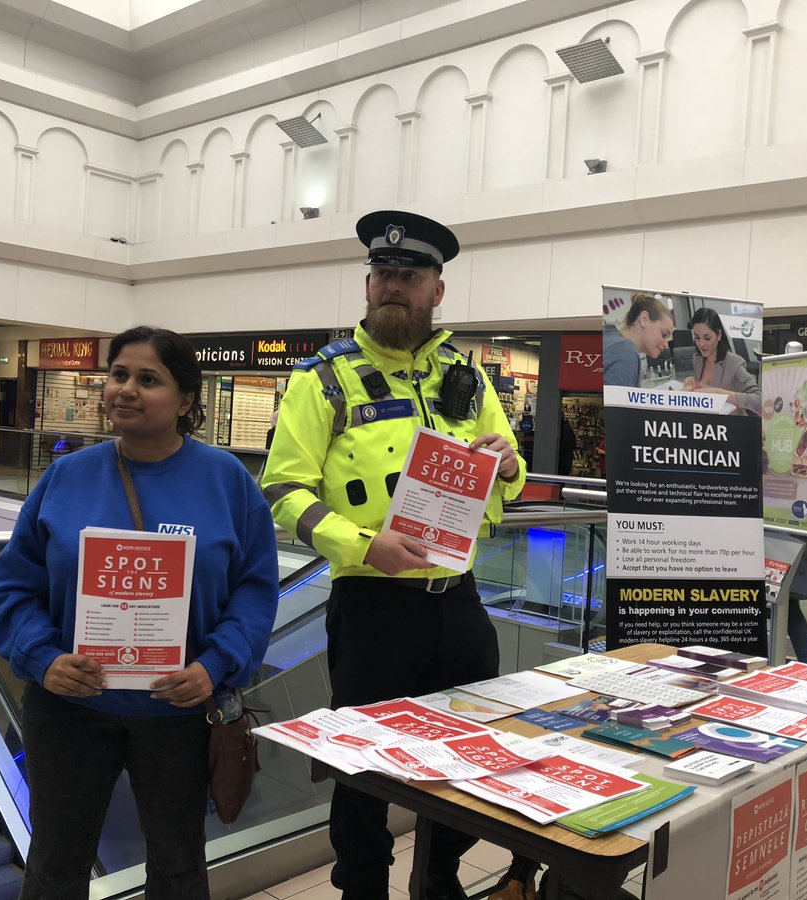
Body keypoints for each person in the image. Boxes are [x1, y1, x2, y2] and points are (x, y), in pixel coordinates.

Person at [261, 210, 526, 900]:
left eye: (409, 276)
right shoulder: (323, 380)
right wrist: (361, 544)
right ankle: (362, 888)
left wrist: (508, 465)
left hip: (457, 598)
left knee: (463, 749)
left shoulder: (467, 375)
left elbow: (510, 470)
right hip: (372, 604)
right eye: (383, 274)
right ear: (367, 284)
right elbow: (283, 490)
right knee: (362, 765)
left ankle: (439, 878)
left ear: (437, 290)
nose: (394, 287)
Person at [0, 326, 279, 900]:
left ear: (186, 399)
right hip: (69, 710)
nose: (127, 389)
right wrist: (43, 658)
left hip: (179, 713)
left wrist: (215, 665)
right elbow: (17, 585)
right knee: (54, 866)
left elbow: (254, 589)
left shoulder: (228, 482)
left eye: (149, 379)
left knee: (178, 866)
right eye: (119, 375)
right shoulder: (66, 476)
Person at [681, 307, 761, 416]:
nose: (701, 344)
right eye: (697, 338)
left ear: (719, 335)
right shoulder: (697, 359)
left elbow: (759, 399)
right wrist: (692, 381)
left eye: (707, 338)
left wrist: (721, 394)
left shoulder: (734, 363)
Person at [603, 292, 673, 387]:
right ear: (644, 319)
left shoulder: (610, 339)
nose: (666, 345)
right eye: (664, 334)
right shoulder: (625, 350)